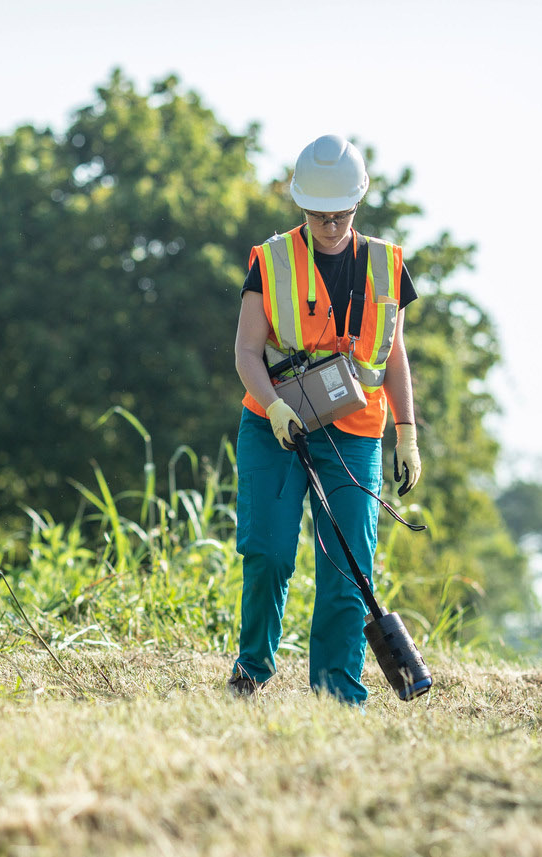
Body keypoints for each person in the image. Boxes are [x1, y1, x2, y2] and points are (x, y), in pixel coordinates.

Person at [228, 135, 421, 703]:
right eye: (318, 214)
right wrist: (275, 405)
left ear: (357, 203)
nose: (330, 224)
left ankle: (337, 691)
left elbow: (394, 354)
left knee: (348, 568)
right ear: (301, 206)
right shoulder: (272, 260)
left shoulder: (386, 264)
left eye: (340, 214)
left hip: (356, 430)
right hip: (276, 426)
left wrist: (406, 433)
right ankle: (253, 669)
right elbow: (245, 351)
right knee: (268, 552)